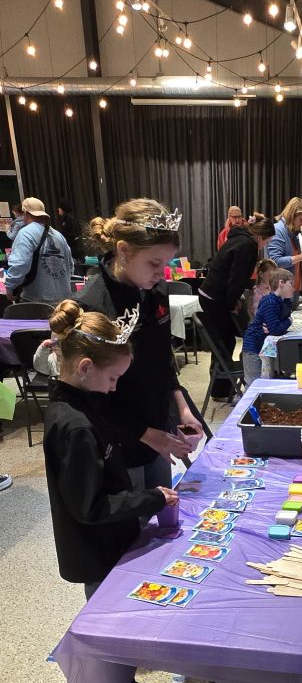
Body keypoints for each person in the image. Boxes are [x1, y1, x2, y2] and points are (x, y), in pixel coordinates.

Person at [44, 299, 177, 683]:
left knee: (120, 624)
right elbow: (89, 507)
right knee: (106, 628)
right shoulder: (76, 426)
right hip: (94, 547)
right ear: (85, 368)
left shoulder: (85, 402)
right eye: (114, 378)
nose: (116, 387)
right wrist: (149, 499)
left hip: (109, 539)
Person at [79, 198, 203, 489]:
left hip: (156, 424)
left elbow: (161, 359)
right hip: (117, 437)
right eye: (154, 263)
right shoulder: (93, 306)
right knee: (135, 509)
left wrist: (182, 407)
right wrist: (146, 434)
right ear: (123, 250)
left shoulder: (155, 290)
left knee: (163, 505)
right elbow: (92, 400)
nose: (161, 273)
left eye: (166, 264)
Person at [199, 215, 275, 401]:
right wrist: (231, 303)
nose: (266, 245)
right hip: (215, 297)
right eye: (267, 241)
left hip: (211, 294)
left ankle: (222, 389)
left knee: (225, 341)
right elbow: (236, 278)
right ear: (260, 237)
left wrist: (234, 300)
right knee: (224, 343)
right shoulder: (247, 246)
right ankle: (220, 390)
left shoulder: (240, 238)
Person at [4, 197, 73, 304]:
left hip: (36, 301)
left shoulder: (25, 233)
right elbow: (70, 265)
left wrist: (9, 286)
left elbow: (20, 264)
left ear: (26, 214)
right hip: (63, 301)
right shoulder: (59, 235)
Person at [242, 268, 294, 388]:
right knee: (254, 385)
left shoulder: (282, 301)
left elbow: (277, 325)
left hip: (263, 346)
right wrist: (289, 321)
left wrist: (279, 325)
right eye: (291, 284)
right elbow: (276, 329)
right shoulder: (270, 302)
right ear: (281, 283)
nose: (293, 288)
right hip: (253, 347)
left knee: (266, 382)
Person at [266, 197, 302, 304]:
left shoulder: (293, 233)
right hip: (281, 294)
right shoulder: (278, 230)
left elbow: (293, 262)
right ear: (292, 215)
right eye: (301, 219)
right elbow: (274, 262)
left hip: (293, 291)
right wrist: (300, 257)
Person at [57, 198, 84, 262]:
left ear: (63, 208)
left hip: (73, 253)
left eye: (59, 207)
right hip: (71, 252)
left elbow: (73, 236)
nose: (58, 209)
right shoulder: (66, 219)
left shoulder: (69, 219)